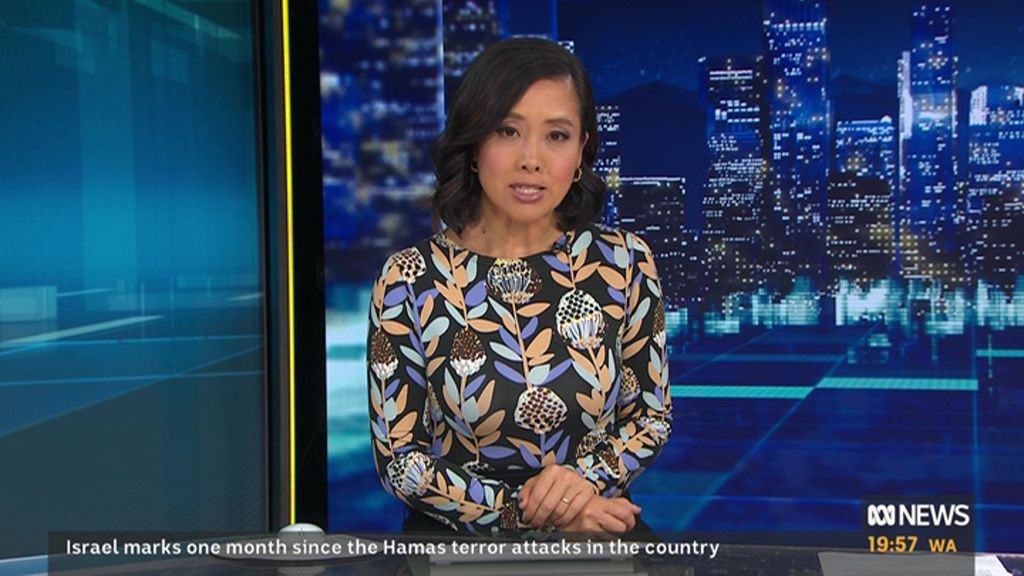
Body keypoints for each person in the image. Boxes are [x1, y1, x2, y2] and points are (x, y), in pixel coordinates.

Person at [367, 37, 671, 539]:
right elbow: (401, 461)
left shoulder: (625, 262)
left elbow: (650, 418)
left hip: (595, 527)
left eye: (556, 135)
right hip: (457, 547)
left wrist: (581, 484)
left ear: (581, 150)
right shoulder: (408, 278)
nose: (531, 159)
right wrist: (526, 512)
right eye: (508, 131)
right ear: (473, 145)